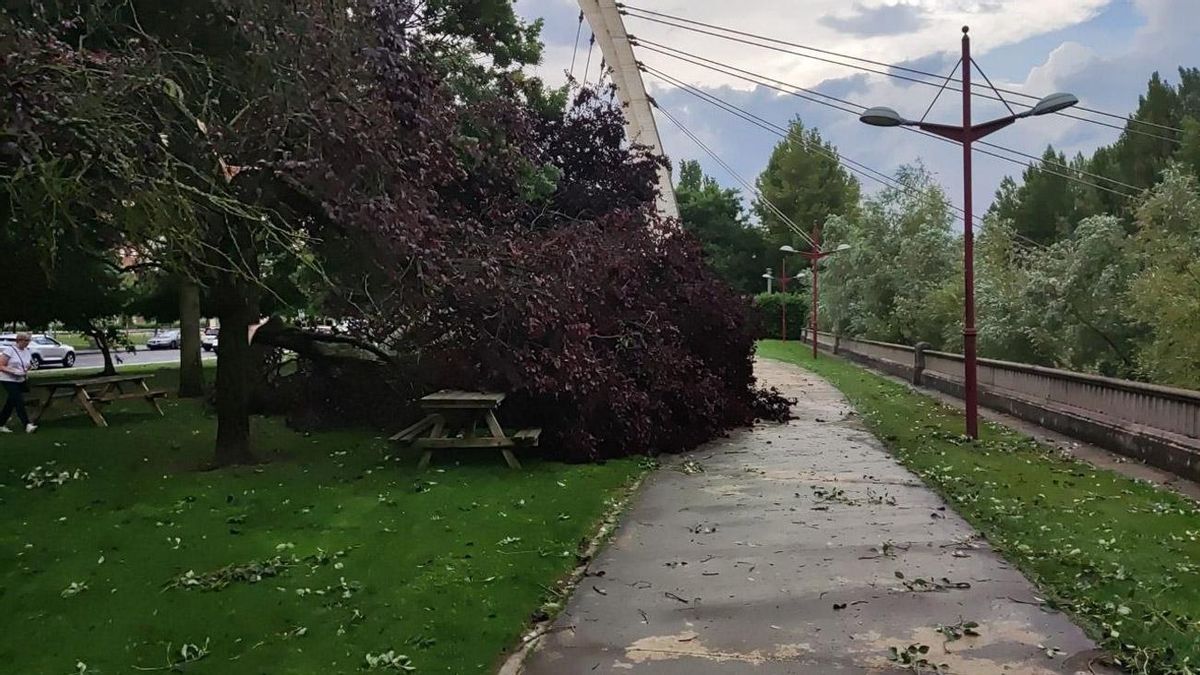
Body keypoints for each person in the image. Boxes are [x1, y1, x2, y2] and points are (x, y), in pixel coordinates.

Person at [0, 332, 37, 433]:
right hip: (8, 379)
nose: (27, 343)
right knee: (18, 400)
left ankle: (1, 423)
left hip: (20, 379)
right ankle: (27, 424)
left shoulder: (27, 351)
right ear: (19, 340)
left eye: (28, 341)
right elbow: (1, 365)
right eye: (25, 341)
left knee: (11, 402)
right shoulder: (10, 350)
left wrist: (28, 367)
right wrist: (12, 371)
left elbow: (26, 364)